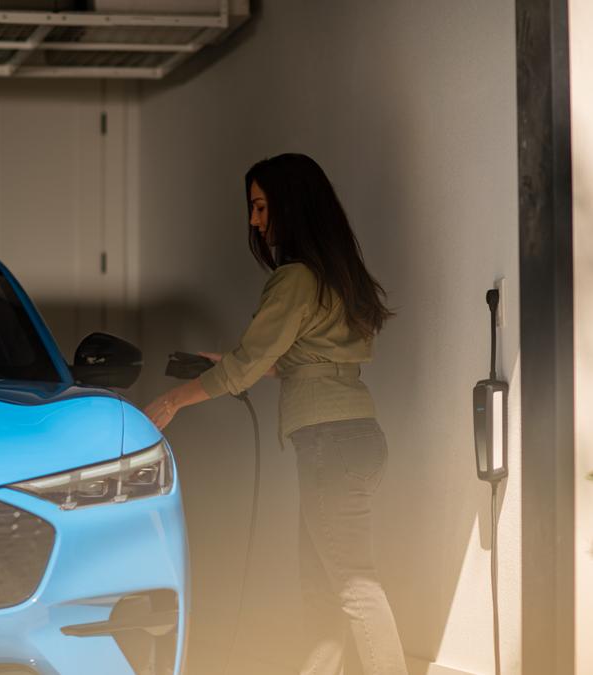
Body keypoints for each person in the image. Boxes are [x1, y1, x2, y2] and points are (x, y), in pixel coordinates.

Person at [143, 153, 408, 675]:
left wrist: (173, 400)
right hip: (357, 436)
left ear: (290, 205)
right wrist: (234, 363)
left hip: (329, 443)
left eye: (261, 206)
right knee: (325, 588)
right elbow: (298, 359)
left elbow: (246, 369)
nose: (254, 221)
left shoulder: (295, 279)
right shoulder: (338, 277)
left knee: (354, 585)